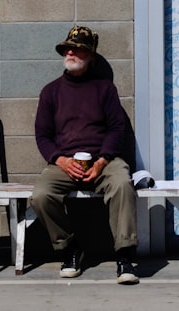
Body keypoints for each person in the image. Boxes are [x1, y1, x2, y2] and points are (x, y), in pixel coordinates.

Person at [31, 25, 139, 284]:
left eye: (77, 49)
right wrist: (61, 160)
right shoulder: (51, 91)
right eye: (68, 48)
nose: (70, 52)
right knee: (41, 196)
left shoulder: (105, 89)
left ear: (90, 56)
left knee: (123, 184)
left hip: (104, 160)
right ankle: (69, 248)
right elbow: (42, 135)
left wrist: (102, 161)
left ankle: (124, 256)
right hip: (64, 163)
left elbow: (117, 128)